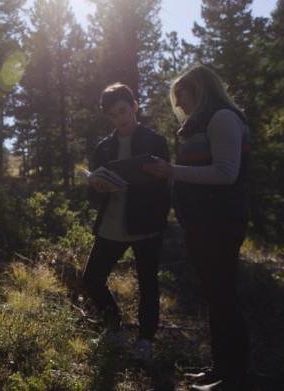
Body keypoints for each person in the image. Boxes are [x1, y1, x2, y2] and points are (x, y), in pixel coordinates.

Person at [144, 65, 251, 391]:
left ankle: (232, 375)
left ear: (200, 91)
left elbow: (226, 173)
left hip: (220, 224)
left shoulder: (223, 118)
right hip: (205, 225)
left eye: (182, 96)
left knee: (223, 296)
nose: (179, 105)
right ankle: (220, 368)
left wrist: (171, 171)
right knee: (216, 296)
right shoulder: (203, 124)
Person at [82, 83, 171, 363]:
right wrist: (96, 186)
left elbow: (165, 184)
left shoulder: (155, 142)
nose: (119, 119)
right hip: (111, 223)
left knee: (148, 283)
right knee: (91, 279)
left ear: (134, 106)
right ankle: (114, 327)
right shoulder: (104, 147)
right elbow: (92, 195)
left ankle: (145, 340)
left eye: (123, 111)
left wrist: (145, 183)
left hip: (146, 225)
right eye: (112, 115)